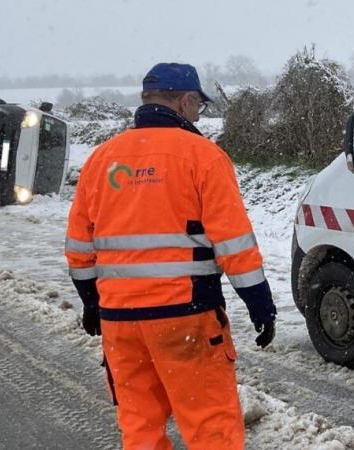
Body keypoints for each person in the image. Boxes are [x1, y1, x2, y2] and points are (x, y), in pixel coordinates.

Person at [64, 62, 276, 450]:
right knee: (212, 426)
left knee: (140, 427)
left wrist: (92, 303)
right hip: (186, 316)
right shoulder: (203, 156)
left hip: (120, 324)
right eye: (199, 107)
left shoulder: (101, 160)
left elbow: (79, 245)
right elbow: (234, 243)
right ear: (185, 100)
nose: (199, 115)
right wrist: (260, 304)